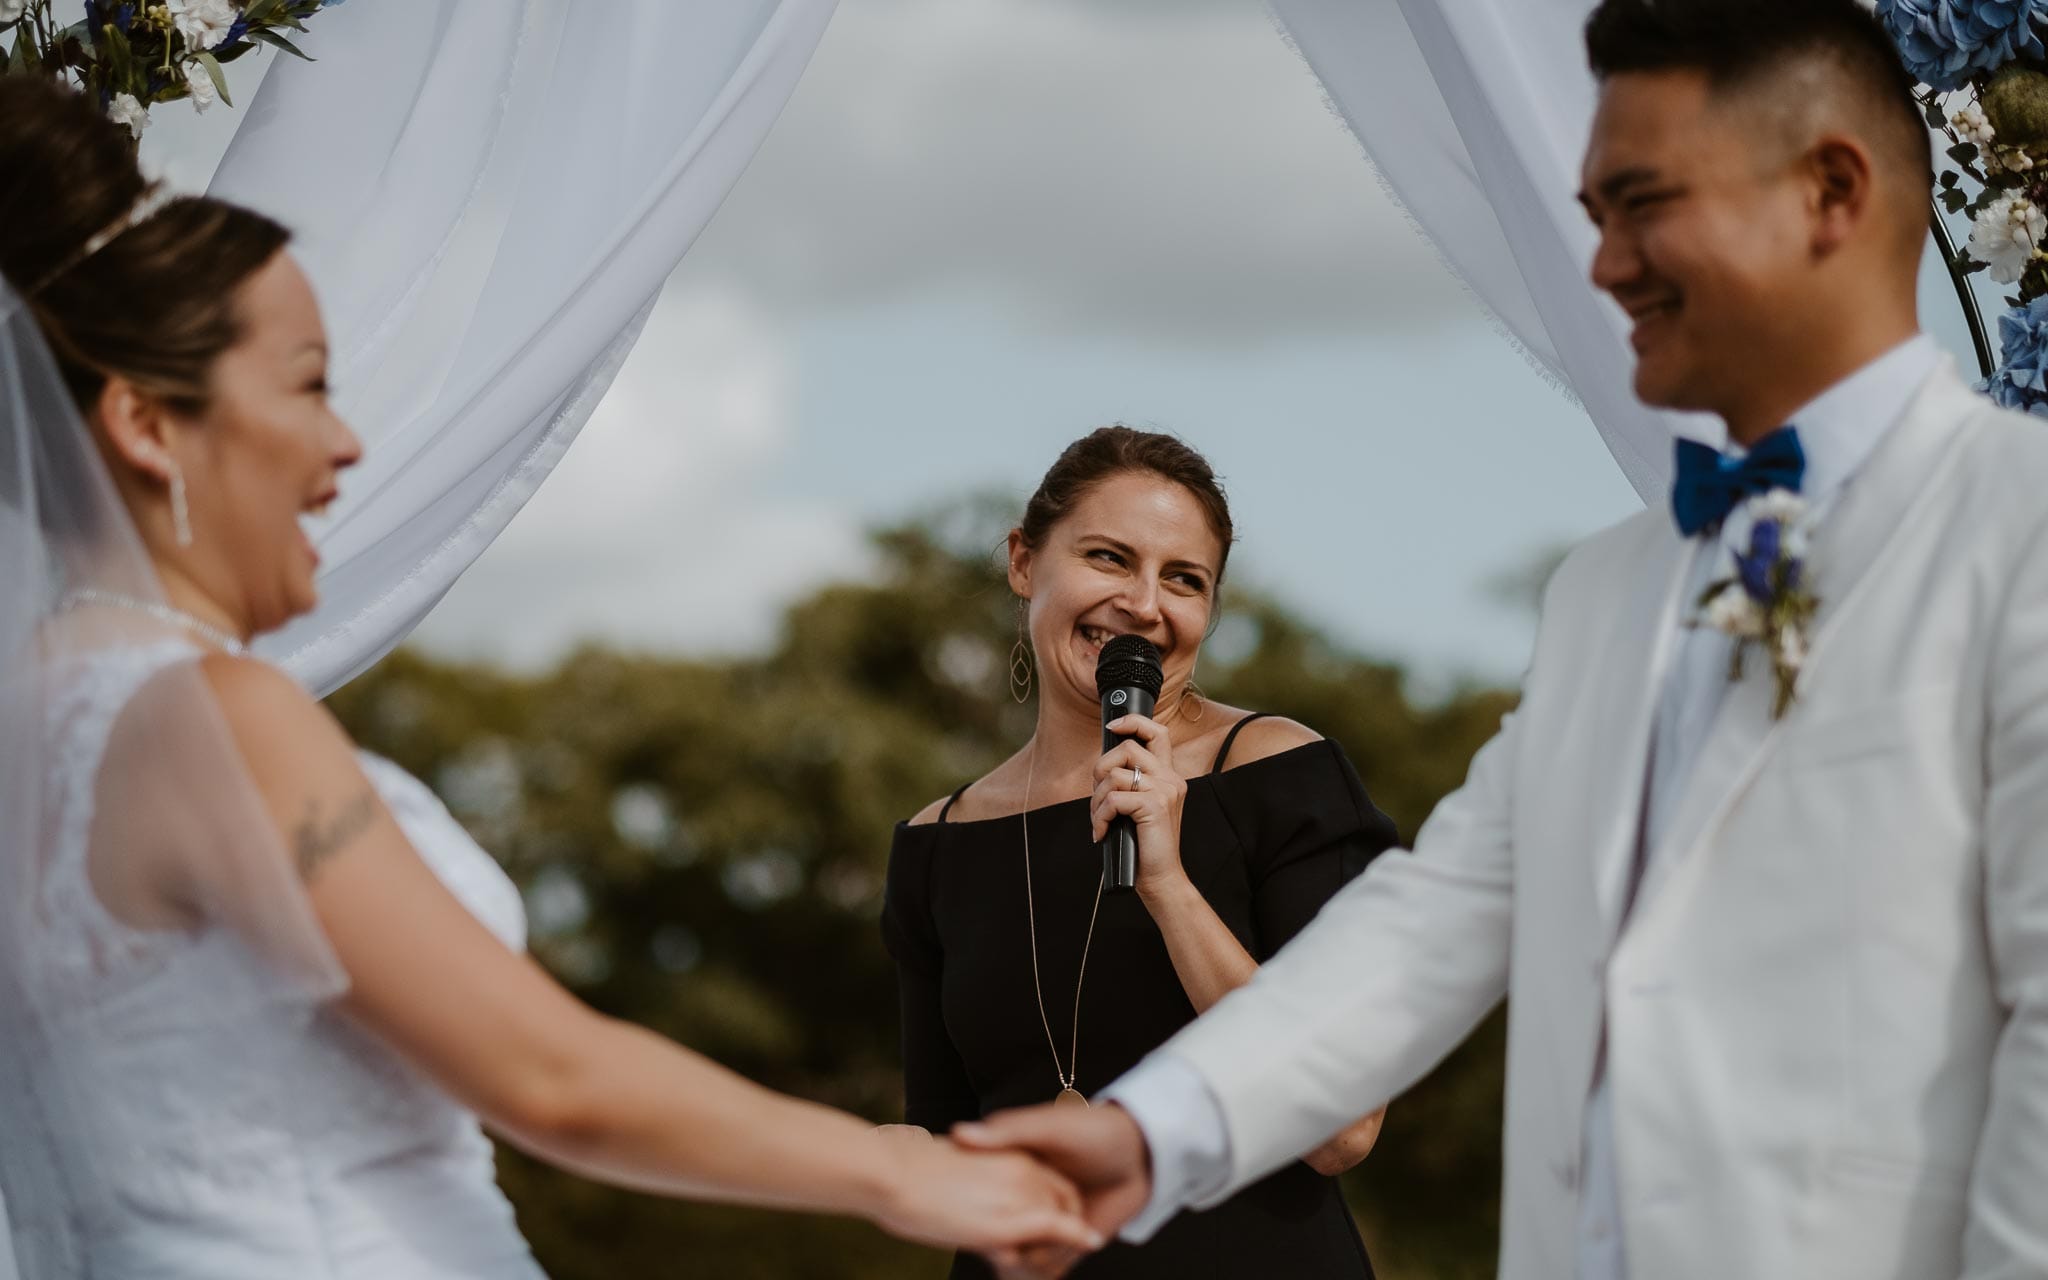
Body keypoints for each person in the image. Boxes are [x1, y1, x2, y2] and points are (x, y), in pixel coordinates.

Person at [958, 2, 2048, 1278]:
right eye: (1592, 217)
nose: (1601, 267)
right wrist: (1157, 1130)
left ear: (1830, 191)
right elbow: (1433, 917)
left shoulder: (2020, 532)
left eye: (1642, 204)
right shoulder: (1607, 587)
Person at [0, 76, 1100, 1280]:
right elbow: (550, 1078)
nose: (348, 442)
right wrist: (906, 1170)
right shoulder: (213, 719)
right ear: (148, 424)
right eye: (310, 382)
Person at [882, 427, 1397, 1278]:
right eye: (1110, 559)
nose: (1145, 605)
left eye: (1184, 580)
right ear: (1022, 561)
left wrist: (1167, 883)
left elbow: (1343, 1131)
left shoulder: (1278, 776)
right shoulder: (938, 844)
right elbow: (948, 1146)